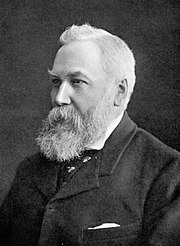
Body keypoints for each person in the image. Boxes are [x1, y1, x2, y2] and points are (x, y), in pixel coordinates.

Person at [0, 24, 180, 246]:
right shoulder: (30, 171)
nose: (60, 98)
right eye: (56, 82)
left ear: (119, 92)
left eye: (77, 82)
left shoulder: (168, 174)